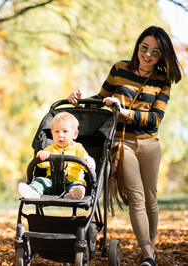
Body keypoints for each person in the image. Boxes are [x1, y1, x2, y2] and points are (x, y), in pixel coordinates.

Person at [68, 26, 183, 266]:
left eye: (155, 52)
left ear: (162, 57)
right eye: (144, 48)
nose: (148, 55)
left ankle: (150, 246)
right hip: (122, 143)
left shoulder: (163, 80)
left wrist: (124, 112)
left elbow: (155, 119)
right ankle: (148, 255)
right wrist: (79, 101)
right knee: (137, 196)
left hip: (150, 144)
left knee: (151, 196)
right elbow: (100, 101)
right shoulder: (119, 69)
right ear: (137, 46)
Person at [18, 112, 96, 200]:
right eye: (56, 132)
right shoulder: (50, 149)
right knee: (40, 181)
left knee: (78, 186)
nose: (60, 135)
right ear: (52, 133)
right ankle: (32, 191)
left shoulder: (78, 148)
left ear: (75, 134)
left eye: (65, 131)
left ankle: (72, 195)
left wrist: (90, 161)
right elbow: (40, 164)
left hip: (73, 181)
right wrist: (42, 155)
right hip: (52, 182)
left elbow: (86, 163)